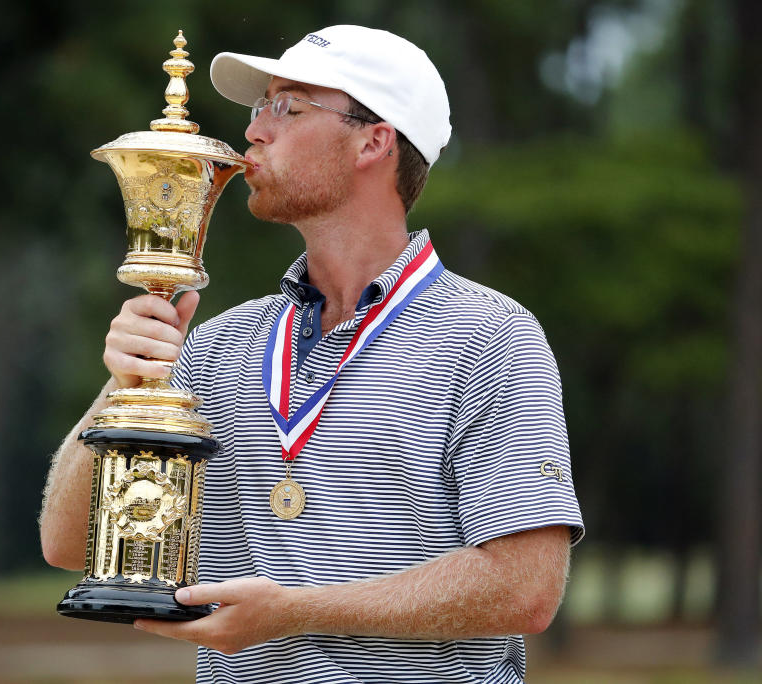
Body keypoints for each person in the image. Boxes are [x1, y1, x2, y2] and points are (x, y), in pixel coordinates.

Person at [40, 25, 584, 683]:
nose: (255, 134)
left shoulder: (492, 338)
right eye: (258, 109)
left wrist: (296, 611)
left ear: (374, 141)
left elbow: (525, 589)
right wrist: (123, 384)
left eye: (288, 108)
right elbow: (71, 545)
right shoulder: (215, 346)